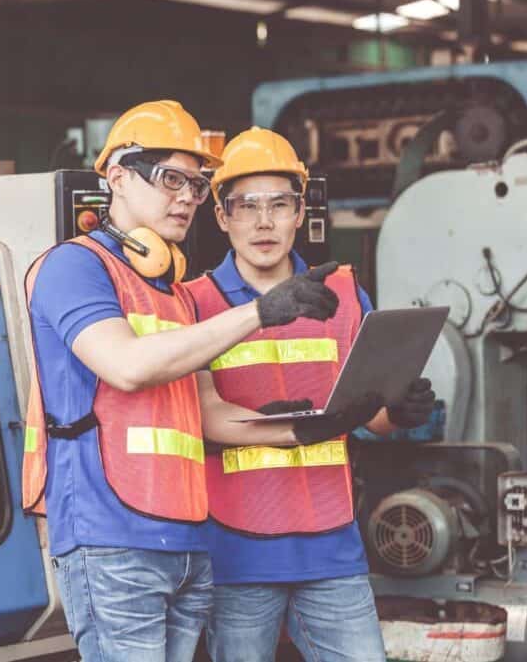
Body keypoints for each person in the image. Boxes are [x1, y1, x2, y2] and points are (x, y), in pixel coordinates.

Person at [20, 102, 347, 662]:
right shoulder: (73, 267)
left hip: (186, 539)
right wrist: (258, 313)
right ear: (117, 177)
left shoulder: (171, 292)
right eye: (171, 179)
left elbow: (206, 412)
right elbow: (127, 365)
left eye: (196, 186)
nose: (186, 199)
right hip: (111, 536)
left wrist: (304, 428)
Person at [184, 127, 437, 662]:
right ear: (222, 217)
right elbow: (202, 417)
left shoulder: (344, 293)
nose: (263, 221)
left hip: (332, 545)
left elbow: (369, 417)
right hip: (237, 551)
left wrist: (399, 409)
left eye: (279, 203)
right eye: (245, 206)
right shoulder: (197, 305)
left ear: (300, 212)